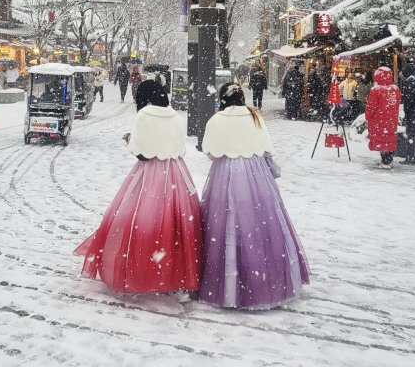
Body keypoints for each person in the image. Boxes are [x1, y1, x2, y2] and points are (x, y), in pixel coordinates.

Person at [74, 80, 202, 295]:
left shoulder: (144, 116)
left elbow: (140, 152)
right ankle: (171, 271)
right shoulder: (175, 117)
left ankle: (141, 269)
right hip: (176, 172)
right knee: (175, 221)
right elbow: (180, 149)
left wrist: (129, 140)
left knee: (140, 218)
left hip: (150, 173)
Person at [200, 83, 310, 309]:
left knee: (223, 222)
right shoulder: (255, 117)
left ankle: (227, 280)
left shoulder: (217, 120)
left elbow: (210, 153)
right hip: (256, 173)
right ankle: (264, 279)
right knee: (260, 223)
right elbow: (267, 148)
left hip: (225, 173)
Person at [365, 66, 401, 168]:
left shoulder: (376, 90)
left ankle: (385, 162)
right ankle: (388, 160)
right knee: (389, 139)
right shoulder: (395, 89)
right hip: (391, 120)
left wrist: (368, 117)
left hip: (378, 120)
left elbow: (371, 106)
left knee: (381, 140)